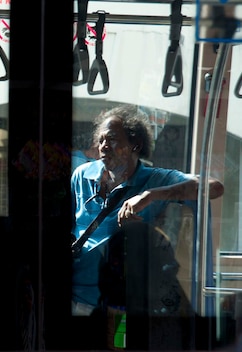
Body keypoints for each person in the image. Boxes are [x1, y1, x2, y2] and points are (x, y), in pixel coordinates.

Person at [70, 104, 224, 348]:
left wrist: (151, 195)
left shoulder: (154, 179)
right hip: (75, 295)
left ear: (135, 145)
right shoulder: (81, 175)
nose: (103, 146)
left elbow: (214, 188)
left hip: (119, 301)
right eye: (100, 140)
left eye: (111, 139)